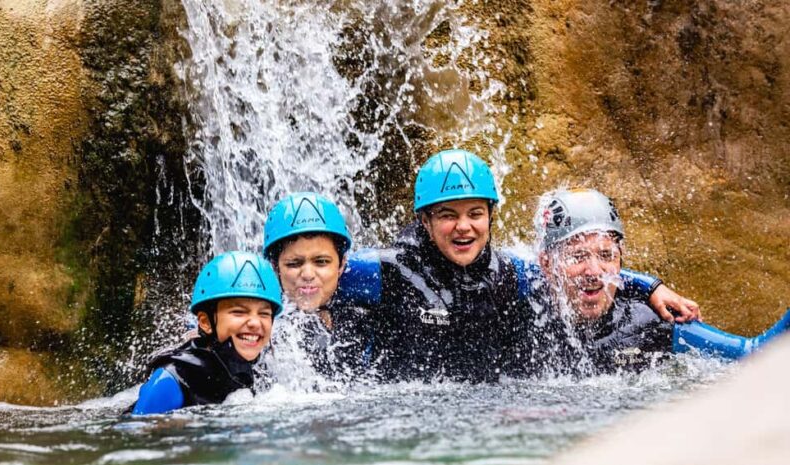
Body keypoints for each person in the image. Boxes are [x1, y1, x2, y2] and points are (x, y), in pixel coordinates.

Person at [338, 149, 697, 382]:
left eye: (475, 214)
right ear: (425, 222)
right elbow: (310, 270)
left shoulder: (507, 273)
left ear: (491, 217)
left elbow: (570, 272)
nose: (464, 226)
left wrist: (649, 286)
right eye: (448, 215)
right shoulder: (386, 271)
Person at [529, 188, 790, 375]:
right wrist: (649, 285)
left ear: (621, 259)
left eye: (606, 255)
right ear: (547, 263)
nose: (594, 271)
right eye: (578, 257)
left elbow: (754, 354)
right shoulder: (523, 308)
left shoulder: (650, 321)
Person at [131, 251, 283, 415]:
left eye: (264, 314)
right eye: (239, 312)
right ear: (205, 322)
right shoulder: (174, 378)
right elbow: (137, 433)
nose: (255, 322)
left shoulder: (262, 372)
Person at [263, 192, 369, 378]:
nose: (308, 274)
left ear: (342, 264)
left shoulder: (366, 316)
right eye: (294, 264)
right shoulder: (263, 327)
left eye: (321, 262)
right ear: (275, 268)